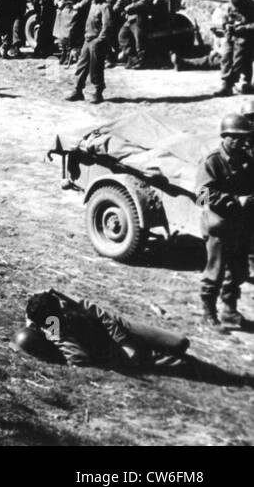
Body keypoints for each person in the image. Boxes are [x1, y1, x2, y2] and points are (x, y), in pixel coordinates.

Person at [14, 289, 190, 369]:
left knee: (180, 342)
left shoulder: (59, 301)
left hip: (121, 328)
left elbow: (102, 315)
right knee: (182, 363)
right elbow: (78, 358)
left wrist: (124, 341)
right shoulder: (54, 326)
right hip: (108, 347)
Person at [195, 113, 254, 328]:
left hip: (241, 224)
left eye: (244, 137)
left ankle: (230, 310)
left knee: (238, 270)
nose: (241, 142)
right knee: (215, 271)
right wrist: (234, 200)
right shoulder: (213, 161)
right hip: (219, 224)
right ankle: (208, 312)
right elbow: (201, 196)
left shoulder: (246, 159)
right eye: (236, 138)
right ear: (225, 137)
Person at [67, 0, 110, 103]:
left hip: (97, 41)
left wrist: (99, 40)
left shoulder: (104, 7)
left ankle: (98, 91)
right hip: (88, 39)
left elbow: (107, 27)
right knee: (81, 65)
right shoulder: (91, 5)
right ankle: (77, 90)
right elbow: (82, 3)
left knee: (96, 67)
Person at [216, 0, 254, 97]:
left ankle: (233, 83)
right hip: (231, 35)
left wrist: (244, 28)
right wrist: (226, 25)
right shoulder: (229, 6)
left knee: (239, 58)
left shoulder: (252, 6)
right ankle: (226, 84)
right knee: (226, 56)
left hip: (247, 36)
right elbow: (224, 17)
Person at [53, 0, 88, 65]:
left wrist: (79, 5)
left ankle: (69, 54)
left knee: (69, 35)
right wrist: (57, 2)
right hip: (62, 11)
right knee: (61, 36)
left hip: (73, 11)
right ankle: (63, 53)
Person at [116, 0, 151, 68]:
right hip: (129, 19)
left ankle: (140, 62)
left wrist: (130, 7)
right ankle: (132, 58)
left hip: (138, 18)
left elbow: (144, 2)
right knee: (122, 37)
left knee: (139, 41)